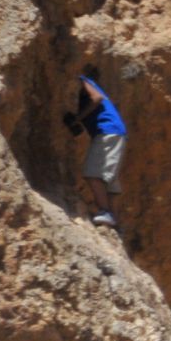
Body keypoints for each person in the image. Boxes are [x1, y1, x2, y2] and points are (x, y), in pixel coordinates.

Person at [63, 64, 127, 228]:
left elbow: (96, 98)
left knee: (93, 174)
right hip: (115, 131)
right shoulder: (85, 86)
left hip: (107, 131)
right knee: (110, 181)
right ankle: (115, 222)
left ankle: (105, 211)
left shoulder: (82, 80)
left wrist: (77, 118)